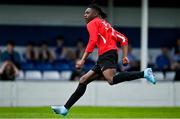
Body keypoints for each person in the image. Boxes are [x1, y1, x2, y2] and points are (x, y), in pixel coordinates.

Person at [51, 4, 156, 116]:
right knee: (83, 79)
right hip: (106, 55)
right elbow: (124, 39)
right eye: (84, 13)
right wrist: (125, 56)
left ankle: (144, 73)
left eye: (87, 12)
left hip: (107, 54)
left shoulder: (93, 23)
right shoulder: (107, 26)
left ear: (95, 14)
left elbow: (92, 41)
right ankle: (65, 108)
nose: (85, 15)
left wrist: (82, 60)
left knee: (111, 80)